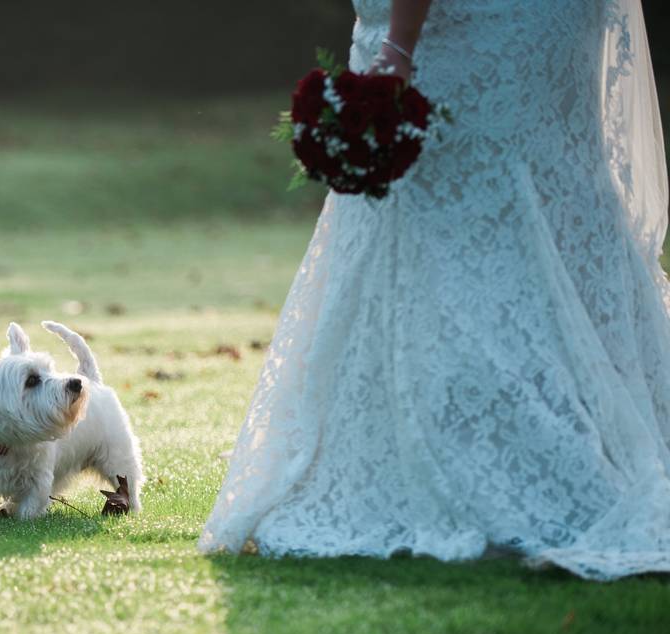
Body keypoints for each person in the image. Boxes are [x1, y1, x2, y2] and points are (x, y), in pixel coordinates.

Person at [199, 0, 670, 580]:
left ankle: (494, 466)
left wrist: (399, 47)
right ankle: (557, 440)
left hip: (472, 28)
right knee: (536, 206)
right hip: (525, 25)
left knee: (475, 211)